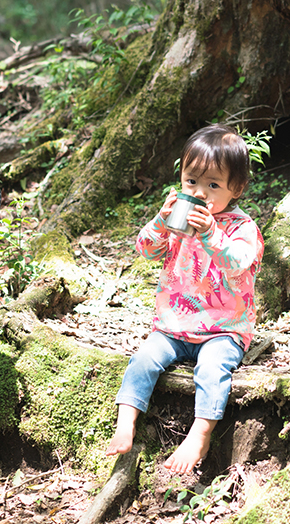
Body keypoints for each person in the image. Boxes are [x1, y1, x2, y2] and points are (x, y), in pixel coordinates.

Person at [105, 123, 264, 474]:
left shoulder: (242, 229)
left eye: (213, 185)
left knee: (212, 369)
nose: (200, 192)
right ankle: (126, 420)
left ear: (235, 188)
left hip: (224, 329)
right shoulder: (178, 220)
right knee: (144, 358)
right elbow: (146, 250)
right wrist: (162, 221)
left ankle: (200, 432)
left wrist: (211, 233)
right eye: (191, 181)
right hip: (175, 326)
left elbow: (236, 264)